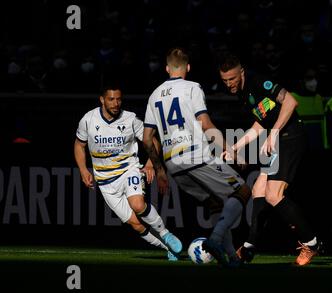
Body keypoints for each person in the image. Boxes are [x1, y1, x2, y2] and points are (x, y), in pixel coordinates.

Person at [142, 48, 251, 267]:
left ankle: (231, 258)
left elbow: (146, 139)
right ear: (188, 68)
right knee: (243, 190)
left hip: (173, 163)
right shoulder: (192, 88)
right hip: (194, 154)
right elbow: (205, 122)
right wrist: (229, 149)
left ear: (166, 68)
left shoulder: (154, 95)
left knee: (214, 204)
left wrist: (160, 169)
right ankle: (215, 240)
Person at [219, 54, 320, 266]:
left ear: (242, 73)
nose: (229, 84)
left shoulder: (258, 82)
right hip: (278, 140)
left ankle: (311, 242)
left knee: (274, 195)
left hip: (291, 137)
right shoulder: (243, 94)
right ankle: (249, 247)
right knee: (258, 191)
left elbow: (291, 101)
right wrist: (235, 146)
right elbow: (259, 124)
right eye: (225, 80)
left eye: (232, 79)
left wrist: (274, 132)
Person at [74, 84, 183, 260]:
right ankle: (168, 248)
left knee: (138, 205)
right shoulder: (88, 119)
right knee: (136, 224)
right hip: (105, 181)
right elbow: (79, 145)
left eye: (118, 99)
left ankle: (165, 233)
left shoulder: (130, 119)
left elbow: (153, 141)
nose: (116, 103)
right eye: (111, 99)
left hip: (128, 170)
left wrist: (149, 163)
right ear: (102, 99)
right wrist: (82, 169)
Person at [291, 67, 327, 150]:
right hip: (298, 151)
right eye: (309, 78)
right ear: (300, 80)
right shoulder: (291, 98)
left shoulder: (319, 99)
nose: (314, 81)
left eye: (316, 77)